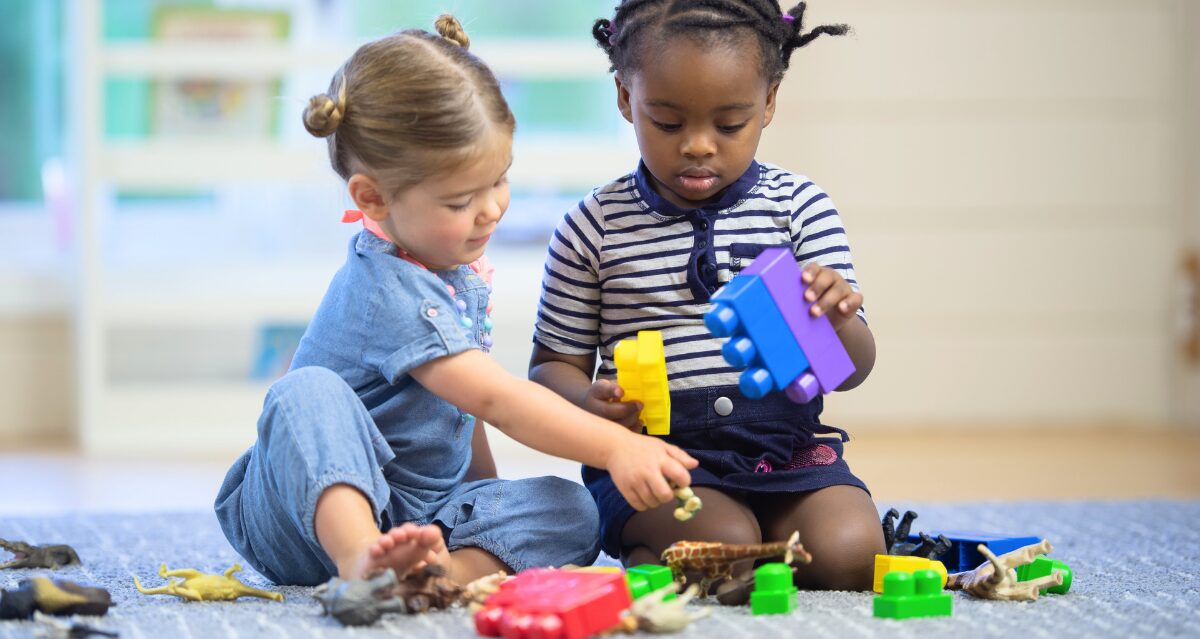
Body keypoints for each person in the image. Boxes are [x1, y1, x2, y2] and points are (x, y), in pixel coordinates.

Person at [214, 15, 697, 588]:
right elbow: (498, 399)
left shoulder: (452, 272)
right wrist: (616, 446)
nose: (492, 208)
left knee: (575, 510)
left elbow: (463, 412)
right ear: (373, 196)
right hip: (302, 516)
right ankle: (362, 562)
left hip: (418, 514)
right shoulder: (387, 286)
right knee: (305, 391)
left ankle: (440, 573)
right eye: (462, 199)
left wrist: (483, 504)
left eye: (500, 179)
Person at [529, 1, 884, 597]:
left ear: (768, 102)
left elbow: (851, 372)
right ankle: (660, 543)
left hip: (786, 450)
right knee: (726, 553)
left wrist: (836, 316)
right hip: (656, 459)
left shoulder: (800, 207)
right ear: (624, 98)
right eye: (667, 123)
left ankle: (762, 537)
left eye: (729, 124)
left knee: (852, 557)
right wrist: (589, 402)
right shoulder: (592, 225)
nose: (698, 146)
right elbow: (549, 368)